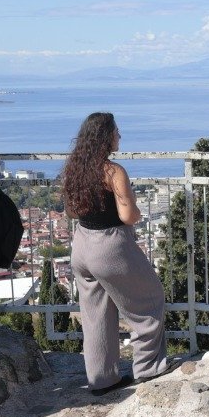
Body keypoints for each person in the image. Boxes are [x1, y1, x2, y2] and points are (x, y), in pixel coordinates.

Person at [60, 112, 172, 393]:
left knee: (95, 314)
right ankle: (147, 367)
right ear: (105, 137)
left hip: (82, 244)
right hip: (110, 246)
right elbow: (128, 216)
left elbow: (71, 211)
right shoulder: (113, 171)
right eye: (116, 132)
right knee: (149, 300)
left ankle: (101, 380)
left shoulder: (74, 168)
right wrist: (133, 204)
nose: (119, 136)